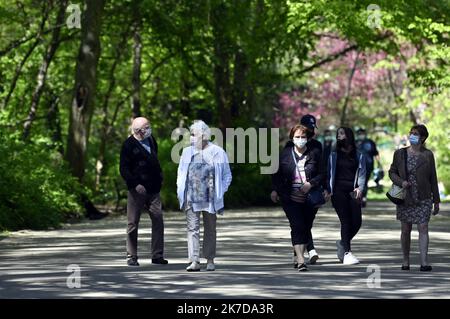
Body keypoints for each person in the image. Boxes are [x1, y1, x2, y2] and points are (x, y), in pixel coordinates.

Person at [177, 120, 232, 272]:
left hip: (210, 199)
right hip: (191, 197)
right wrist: (180, 191)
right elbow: (181, 173)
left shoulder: (217, 152)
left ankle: (209, 259)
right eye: (191, 135)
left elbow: (227, 175)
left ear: (204, 135)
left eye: (194, 135)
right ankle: (194, 261)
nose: (192, 138)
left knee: (210, 228)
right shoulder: (187, 152)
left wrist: (221, 191)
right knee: (192, 228)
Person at [272, 124, 325, 272]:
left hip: (309, 198)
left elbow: (322, 174)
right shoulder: (284, 155)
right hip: (290, 198)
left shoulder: (315, 154)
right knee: (297, 226)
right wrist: (275, 190)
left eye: (303, 137)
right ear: (292, 138)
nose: (300, 140)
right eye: (297, 137)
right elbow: (276, 174)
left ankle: (297, 255)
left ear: (307, 138)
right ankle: (301, 260)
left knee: (306, 227)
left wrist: (311, 183)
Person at [388, 124, 440, 271]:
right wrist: (401, 182)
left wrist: (436, 200)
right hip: (406, 196)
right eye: (411, 133)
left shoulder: (428, 155)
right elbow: (391, 172)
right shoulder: (400, 154)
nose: (412, 136)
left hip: (424, 197)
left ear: (423, 138)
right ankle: (406, 260)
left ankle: (424, 262)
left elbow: (433, 178)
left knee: (423, 227)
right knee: (406, 229)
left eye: (415, 134)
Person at [119, 117, 167, 266]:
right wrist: (134, 184)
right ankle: (131, 256)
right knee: (133, 223)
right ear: (139, 131)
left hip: (154, 189)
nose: (149, 128)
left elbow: (155, 160)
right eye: (147, 127)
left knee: (158, 219)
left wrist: (160, 176)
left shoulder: (151, 139)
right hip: (137, 190)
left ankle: (157, 255)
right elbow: (124, 169)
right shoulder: (128, 145)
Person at [324, 127, 366, 265]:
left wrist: (360, 188)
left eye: (341, 133)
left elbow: (362, 173)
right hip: (338, 191)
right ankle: (347, 253)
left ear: (348, 135)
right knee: (346, 221)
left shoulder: (358, 155)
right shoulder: (334, 155)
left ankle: (342, 242)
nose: (339, 136)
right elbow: (329, 174)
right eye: (338, 134)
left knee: (357, 222)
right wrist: (328, 190)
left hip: (353, 192)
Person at [356, 128, 381, 207]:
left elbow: (376, 153)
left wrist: (379, 164)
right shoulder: (354, 142)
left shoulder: (370, 142)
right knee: (357, 183)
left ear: (365, 134)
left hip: (368, 166)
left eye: (362, 133)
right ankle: (358, 198)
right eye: (359, 133)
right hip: (356, 166)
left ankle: (363, 198)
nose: (361, 135)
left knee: (364, 183)